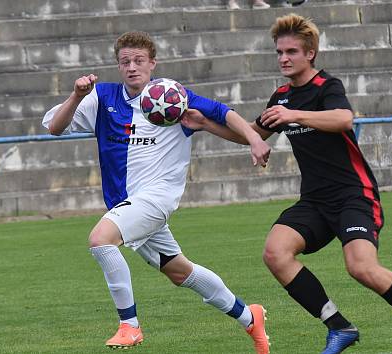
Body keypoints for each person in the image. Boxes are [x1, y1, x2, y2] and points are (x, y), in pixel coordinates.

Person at [184, 14, 392, 354]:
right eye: (279, 52)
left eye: (291, 52)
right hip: (314, 200)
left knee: (361, 268)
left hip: (354, 195)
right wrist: (205, 124)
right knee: (275, 252)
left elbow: (343, 118)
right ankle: (339, 326)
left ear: (310, 53)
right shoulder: (281, 96)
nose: (284, 58)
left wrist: (295, 115)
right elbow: (253, 133)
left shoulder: (327, 87)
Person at [42, 30, 271, 353]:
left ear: (152, 63)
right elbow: (54, 127)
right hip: (127, 203)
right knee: (180, 272)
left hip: (158, 197)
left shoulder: (170, 96)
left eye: (139, 61)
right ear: (118, 66)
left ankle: (129, 325)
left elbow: (223, 113)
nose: (132, 67)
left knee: (100, 239)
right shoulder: (102, 96)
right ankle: (250, 317)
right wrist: (77, 95)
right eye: (125, 62)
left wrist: (255, 138)